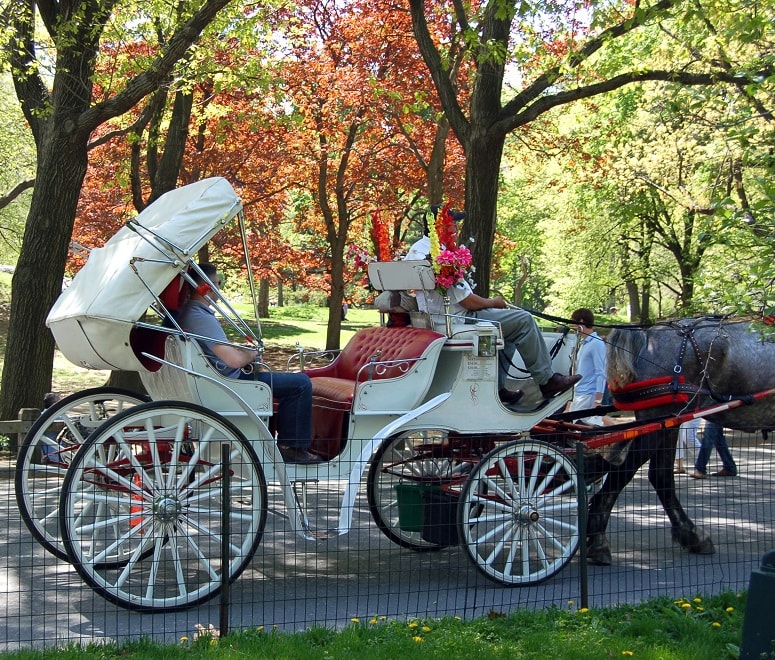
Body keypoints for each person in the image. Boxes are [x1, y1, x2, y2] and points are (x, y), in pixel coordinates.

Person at [405, 232, 580, 405]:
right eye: (452, 222)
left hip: (436, 320)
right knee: (524, 320)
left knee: (510, 331)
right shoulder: (440, 254)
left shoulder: (414, 251)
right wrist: (494, 302)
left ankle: (497, 388)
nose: (455, 227)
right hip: (459, 319)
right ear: (440, 224)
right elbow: (467, 301)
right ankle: (547, 381)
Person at [177, 263, 322, 463]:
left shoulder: (189, 313)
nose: (219, 289)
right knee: (301, 384)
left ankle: (279, 442)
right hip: (228, 383)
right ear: (206, 286)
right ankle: (292, 448)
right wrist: (252, 355)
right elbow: (233, 360)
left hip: (217, 377)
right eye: (217, 284)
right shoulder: (199, 317)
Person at [568, 308, 614, 426]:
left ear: (582, 322)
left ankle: (622, 434)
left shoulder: (596, 343)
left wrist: (598, 400)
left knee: (583, 424)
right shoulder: (584, 344)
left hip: (588, 394)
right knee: (583, 423)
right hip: (580, 393)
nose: (572, 327)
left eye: (574, 323)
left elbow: (601, 372)